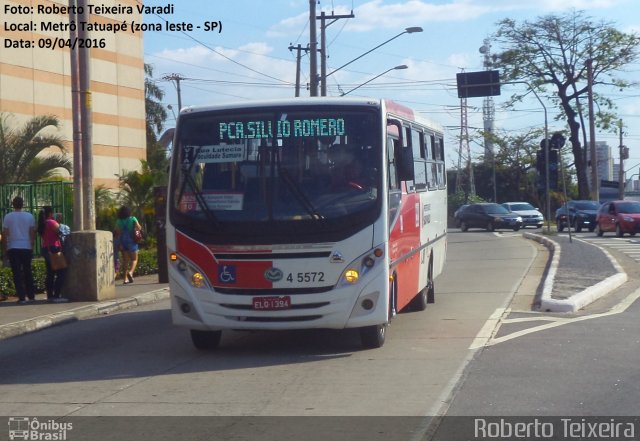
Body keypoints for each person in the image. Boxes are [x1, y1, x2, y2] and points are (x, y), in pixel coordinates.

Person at [2, 196, 36, 304]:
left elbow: (5, 233)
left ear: (13, 204)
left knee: (16, 273)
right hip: (26, 246)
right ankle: (31, 295)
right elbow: (32, 232)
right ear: (23, 204)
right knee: (27, 271)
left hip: (13, 246)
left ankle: (21, 297)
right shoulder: (29, 216)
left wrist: (5, 248)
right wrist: (31, 245)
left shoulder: (8, 217)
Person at [38, 206, 68, 303]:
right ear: (50, 213)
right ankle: (56, 295)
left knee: (50, 273)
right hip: (54, 248)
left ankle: (50, 295)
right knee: (61, 272)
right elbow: (60, 233)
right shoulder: (51, 222)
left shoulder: (42, 223)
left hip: (45, 248)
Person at [114, 206, 142, 284]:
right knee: (134, 259)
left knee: (125, 261)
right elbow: (138, 228)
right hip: (132, 241)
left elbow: (117, 232)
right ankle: (131, 272)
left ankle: (125, 279)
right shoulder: (133, 218)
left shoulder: (119, 221)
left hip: (123, 242)